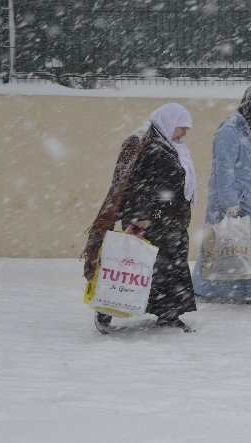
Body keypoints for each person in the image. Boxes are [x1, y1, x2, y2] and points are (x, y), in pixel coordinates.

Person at [83, 103, 198, 332]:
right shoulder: (149, 145)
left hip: (171, 221)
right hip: (151, 220)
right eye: (181, 127)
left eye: (187, 128)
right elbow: (137, 184)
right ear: (168, 121)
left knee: (168, 270)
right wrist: (140, 215)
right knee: (131, 268)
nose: (185, 132)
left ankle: (168, 315)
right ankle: (105, 312)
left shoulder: (170, 145)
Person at [192, 88, 251, 305]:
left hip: (250, 200)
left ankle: (250, 293)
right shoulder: (229, 131)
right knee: (223, 245)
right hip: (230, 202)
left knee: (250, 247)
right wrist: (230, 204)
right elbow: (224, 170)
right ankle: (208, 289)